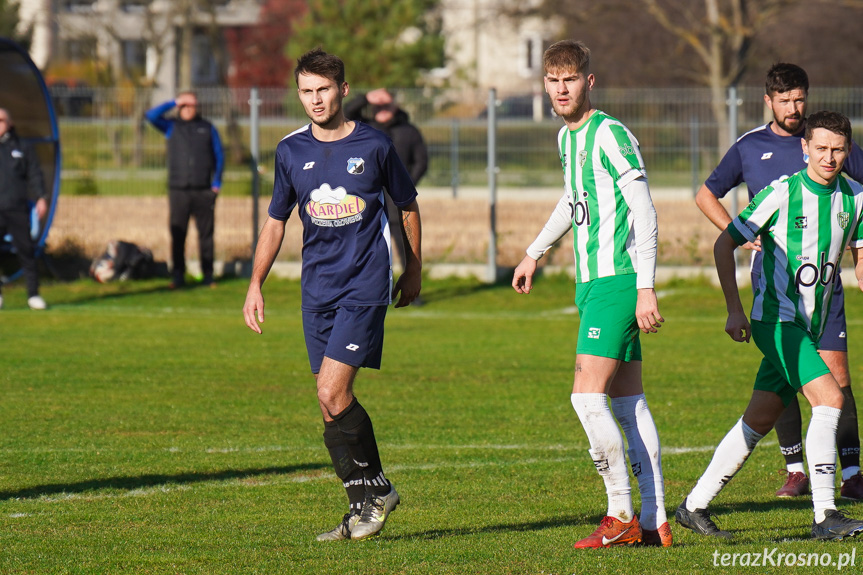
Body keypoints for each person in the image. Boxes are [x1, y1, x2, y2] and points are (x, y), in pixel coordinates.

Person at [242, 48, 422, 542]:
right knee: (328, 405)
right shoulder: (289, 151)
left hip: (364, 283)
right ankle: (362, 504)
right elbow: (276, 221)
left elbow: (407, 205)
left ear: (343, 91)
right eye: (306, 91)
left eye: (323, 90)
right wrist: (255, 283)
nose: (315, 100)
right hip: (315, 290)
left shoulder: (377, 145)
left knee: (330, 391)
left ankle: (379, 490)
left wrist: (413, 269)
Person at [512, 40, 670, 549]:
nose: (561, 89)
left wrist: (645, 288)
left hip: (618, 282)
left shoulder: (610, 134)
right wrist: (535, 251)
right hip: (592, 284)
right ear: (545, 85)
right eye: (553, 81)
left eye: (570, 79)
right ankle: (655, 521)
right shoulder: (567, 139)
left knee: (585, 398)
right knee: (628, 403)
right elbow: (572, 199)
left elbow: (644, 213)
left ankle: (619, 512)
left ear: (589, 81)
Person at [677, 111, 863, 541]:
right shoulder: (781, 193)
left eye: (837, 149)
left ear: (849, 151)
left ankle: (693, 505)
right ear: (805, 149)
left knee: (757, 420)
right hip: (775, 320)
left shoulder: (855, 198)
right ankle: (825, 514)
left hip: (811, 325)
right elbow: (725, 244)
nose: (829, 157)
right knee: (830, 399)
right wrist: (734, 309)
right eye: (820, 148)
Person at [344, 88, 427, 293]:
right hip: (368, 200)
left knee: (405, 245)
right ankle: (365, 289)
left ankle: (411, 288)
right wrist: (366, 97)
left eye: (386, 105)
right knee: (365, 246)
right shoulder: (365, 128)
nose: (381, 110)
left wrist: (403, 187)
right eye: (377, 106)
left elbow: (421, 162)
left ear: (396, 106)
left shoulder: (409, 131)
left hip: (397, 202)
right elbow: (345, 114)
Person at [145, 91, 224, 288]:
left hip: (203, 191)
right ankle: (178, 276)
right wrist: (174, 101)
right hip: (178, 190)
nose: (188, 109)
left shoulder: (207, 128)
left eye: (191, 105)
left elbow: (219, 156)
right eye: (184, 105)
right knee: (178, 234)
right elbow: (150, 116)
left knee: (206, 235)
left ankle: (208, 275)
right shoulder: (171, 127)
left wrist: (216, 184)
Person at [0, 107, 48, 310]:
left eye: (1, 120)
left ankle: (33, 294)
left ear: (9, 124)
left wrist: (41, 198)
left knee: (26, 250)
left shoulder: (22, 147)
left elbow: (35, 174)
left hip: (16, 208)